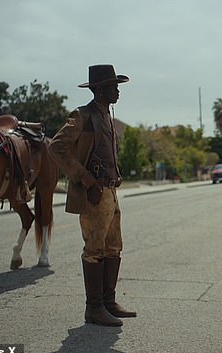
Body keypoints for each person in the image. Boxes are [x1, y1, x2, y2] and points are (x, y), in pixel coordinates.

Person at [49, 64, 136, 327]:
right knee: (94, 249)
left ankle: (108, 302)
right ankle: (94, 308)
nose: (117, 91)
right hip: (94, 192)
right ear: (99, 90)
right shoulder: (83, 116)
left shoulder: (107, 116)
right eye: (112, 86)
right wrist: (85, 178)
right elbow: (57, 147)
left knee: (113, 247)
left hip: (110, 190)